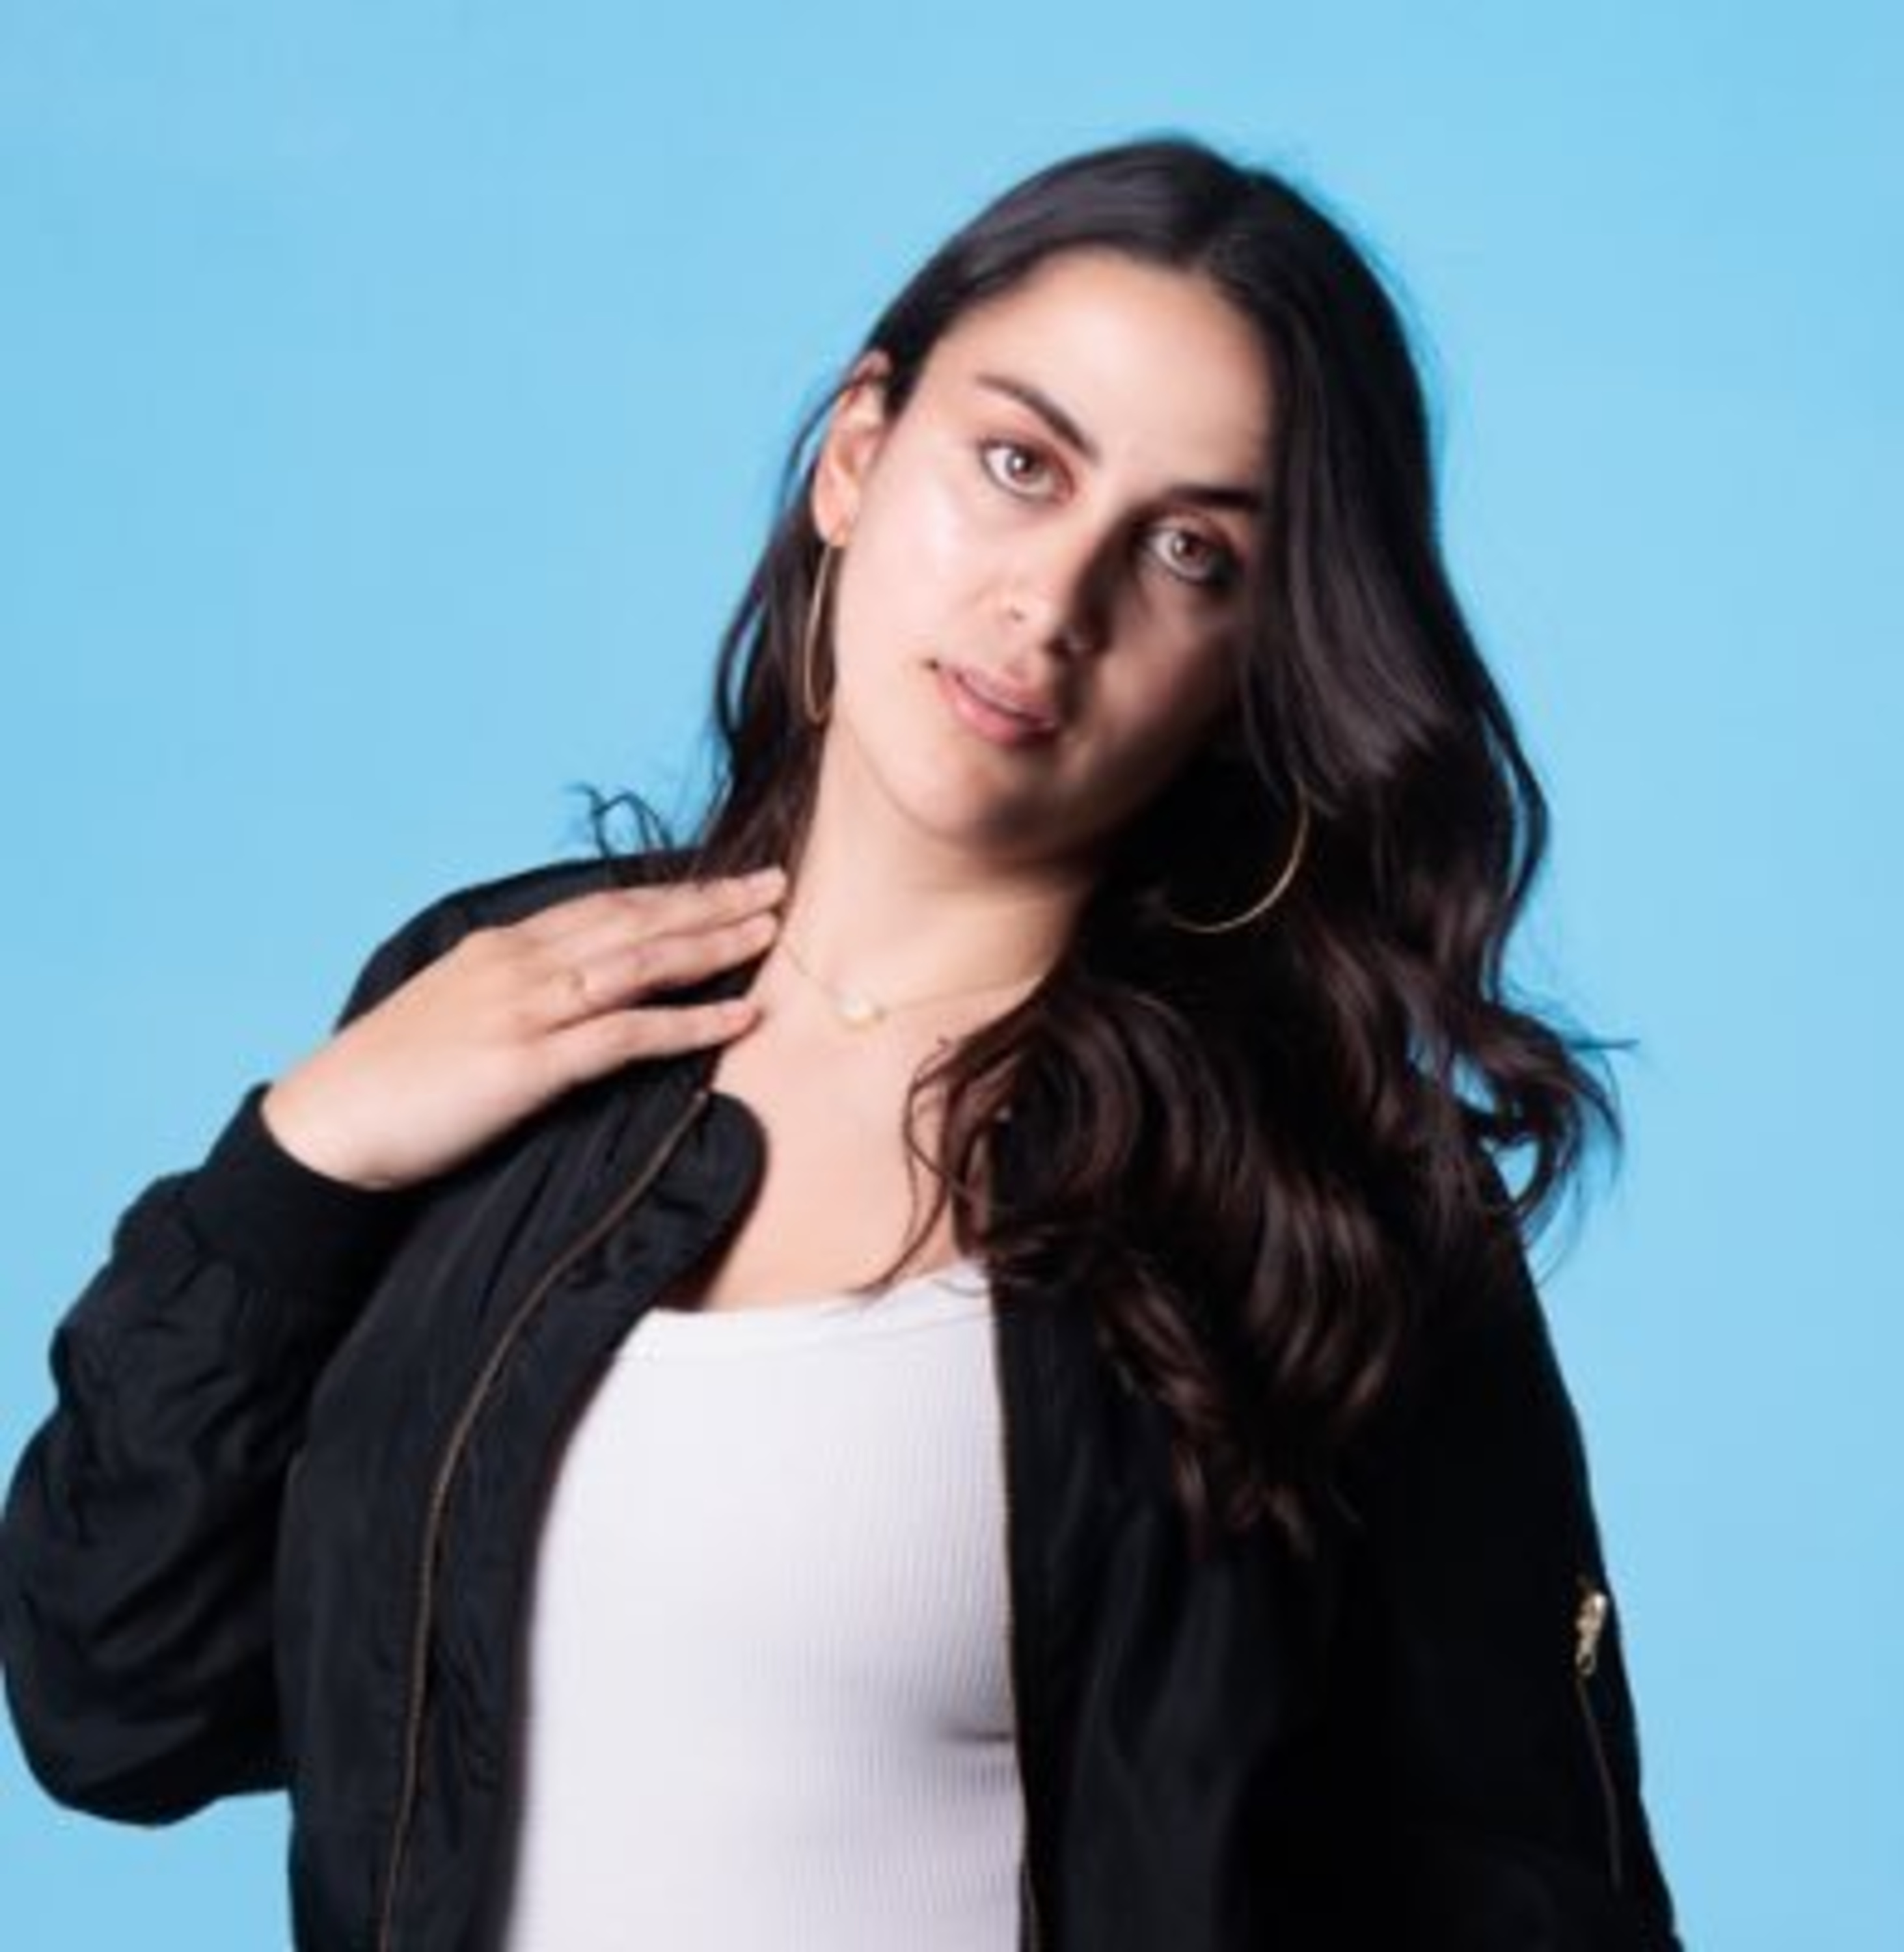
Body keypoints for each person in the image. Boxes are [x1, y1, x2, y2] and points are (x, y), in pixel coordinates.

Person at [0, 134, 1682, 1950]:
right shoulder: (498, 1001)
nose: (1054, 604)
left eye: (1189, 552)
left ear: (1255, 658)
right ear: (859, 455)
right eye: (1020, 465)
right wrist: (300, 1162)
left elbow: (1535, 1888)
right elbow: (117, 1703)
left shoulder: (1325, 1186)